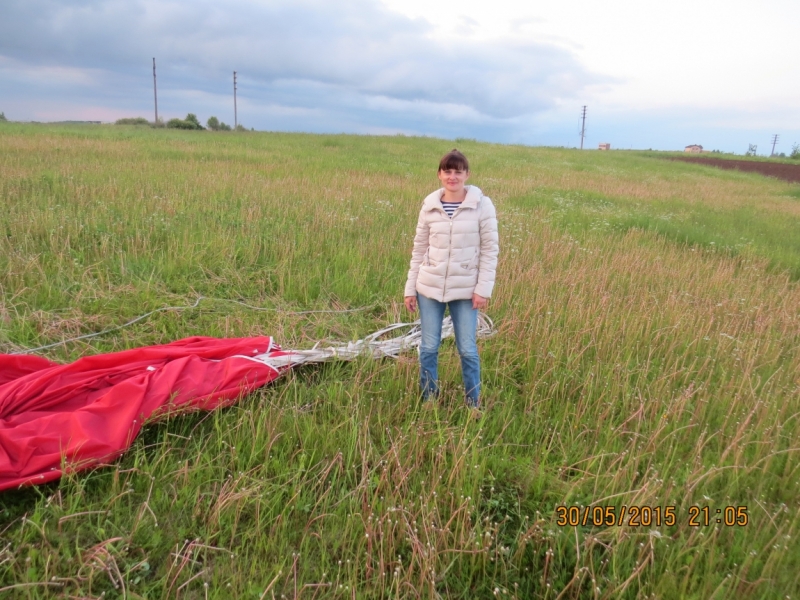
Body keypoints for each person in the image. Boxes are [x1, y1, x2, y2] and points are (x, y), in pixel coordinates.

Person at [404, 149, 499, 411]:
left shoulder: (482, 205)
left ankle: (473, 403)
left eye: (458, 171)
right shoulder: (430, 205)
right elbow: (419, 247)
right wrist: (410, 288)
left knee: (467, 349)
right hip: (429, 288)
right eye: (448, 171)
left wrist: (483, 290)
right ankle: (429, 399)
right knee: (428, 347)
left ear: (467, 174)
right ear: (439, 174)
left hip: (466, 290)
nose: (453, 176)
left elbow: (490, 250)